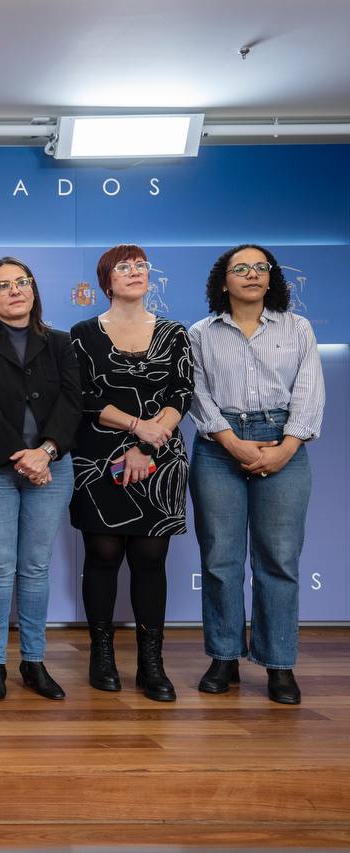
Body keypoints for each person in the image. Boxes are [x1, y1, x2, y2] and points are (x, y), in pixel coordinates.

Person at [188, 244, 324, 705]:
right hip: (218, 447)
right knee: (219, 558)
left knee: (279, 559)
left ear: (271, 278)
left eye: (260, 267)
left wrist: (287, 447)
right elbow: (197, 394)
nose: (252, 274)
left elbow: (309, 393)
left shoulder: (298, 328)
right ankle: (223, 657)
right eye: (240, 268)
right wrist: (231, 442)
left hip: (283, 441)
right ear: (223, 281)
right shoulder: (201, 333)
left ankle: (278, 663)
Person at [69, 244, 193, 703]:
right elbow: (83, 397)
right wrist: (136, 427)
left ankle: (151, 664)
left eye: (141, 265)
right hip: (99, 457)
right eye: (124, 267)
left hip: (160, 454)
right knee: (102, 553)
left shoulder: (175, 333)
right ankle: (101, 655)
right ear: (106, 281)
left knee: (150, 557)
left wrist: (148, 441)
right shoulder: (82, 334)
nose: (135, 272)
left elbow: (182, 392)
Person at [0, 257, 81, 701]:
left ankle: (34, 661)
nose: (15, 290)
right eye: (4, 285)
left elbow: (73, 402)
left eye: (22, 282)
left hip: (52, 467)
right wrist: (22, 457)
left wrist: (45, 453)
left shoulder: (61, 342)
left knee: (35, 566)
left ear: (34, 290)